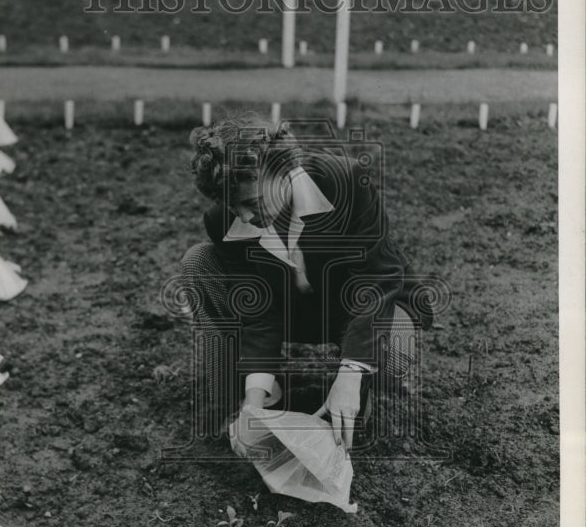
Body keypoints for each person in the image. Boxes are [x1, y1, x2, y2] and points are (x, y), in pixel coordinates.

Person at [179, 112, 432, 452]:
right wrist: (253, 402)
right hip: (290, 310)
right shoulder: (223, 221)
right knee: (197, 260)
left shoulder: (346, 180)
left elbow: (376, 279)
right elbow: (256, 309)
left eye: (251, 203)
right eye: (232, 205)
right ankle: (252, 392)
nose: (243, 217)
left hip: (353, 308)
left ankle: (357, 390)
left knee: (397, 339)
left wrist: (351, 372)